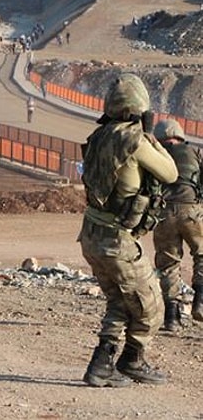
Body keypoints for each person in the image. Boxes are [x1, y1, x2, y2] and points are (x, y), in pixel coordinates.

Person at [79, 73, 178, 388]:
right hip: (116, 241)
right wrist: (151, 139)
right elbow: (170, 173)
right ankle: (133, 359)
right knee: (151, 305)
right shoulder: (133, 140)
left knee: (120, 301)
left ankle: (101, 364)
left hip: (92, 236)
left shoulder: (98, 136)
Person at [152, 119, 203, 331]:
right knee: (201, 254)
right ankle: (200, 300)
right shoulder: (193, 153)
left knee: (168, 264)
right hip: (191, 210)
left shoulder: (156, 154)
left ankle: (171, 317)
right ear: (181, 136)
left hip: (164, 213)